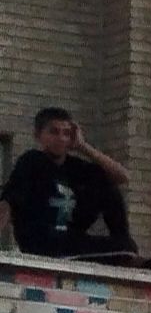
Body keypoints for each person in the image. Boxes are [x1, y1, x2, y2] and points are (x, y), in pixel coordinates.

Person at [6, 107, 141, 261]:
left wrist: (83, 146)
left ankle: (126, 255)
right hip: (40, 242)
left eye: (66, 133)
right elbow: (8, 201)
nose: (61, 138)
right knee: (125, 249)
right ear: (38, 135)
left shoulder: (77, 167)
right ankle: (124, 255)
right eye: (54, 132)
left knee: (108, 188)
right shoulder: (31, 161)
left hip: (70, 241)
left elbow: (122, 176)